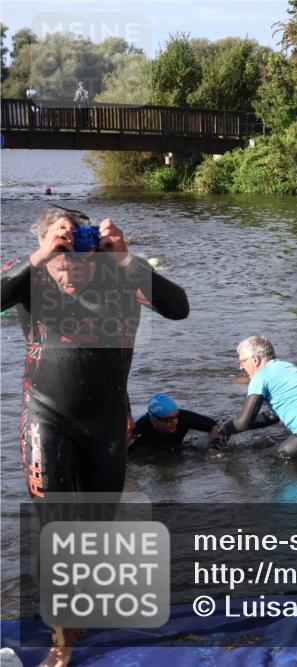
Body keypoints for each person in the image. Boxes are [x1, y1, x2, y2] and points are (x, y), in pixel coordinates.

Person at [0, 206, 189, 666]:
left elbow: (179, 308)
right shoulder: (29, 272)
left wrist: (126, 258)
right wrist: (40, 256)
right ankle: (62, 641)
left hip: (106, 421)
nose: (71, 272)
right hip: (46, 416)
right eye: (62, 259)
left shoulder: (121, 274)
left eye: (80, 258)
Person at [219, 335, 297, 459]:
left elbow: (243, 423)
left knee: (275, 460)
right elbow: (274, 416)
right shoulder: (287, 367)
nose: (241, 367)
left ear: (255, 360)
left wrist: (222, 429)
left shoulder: (260, 376)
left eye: (242, 361)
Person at [129, 393, 222, 452]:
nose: (176, 422)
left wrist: (213, 448)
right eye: (169, 420)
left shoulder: (184, 418)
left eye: (176, 417)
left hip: (176, 447)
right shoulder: (140, 426)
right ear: (154, 421)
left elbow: (215, 426)